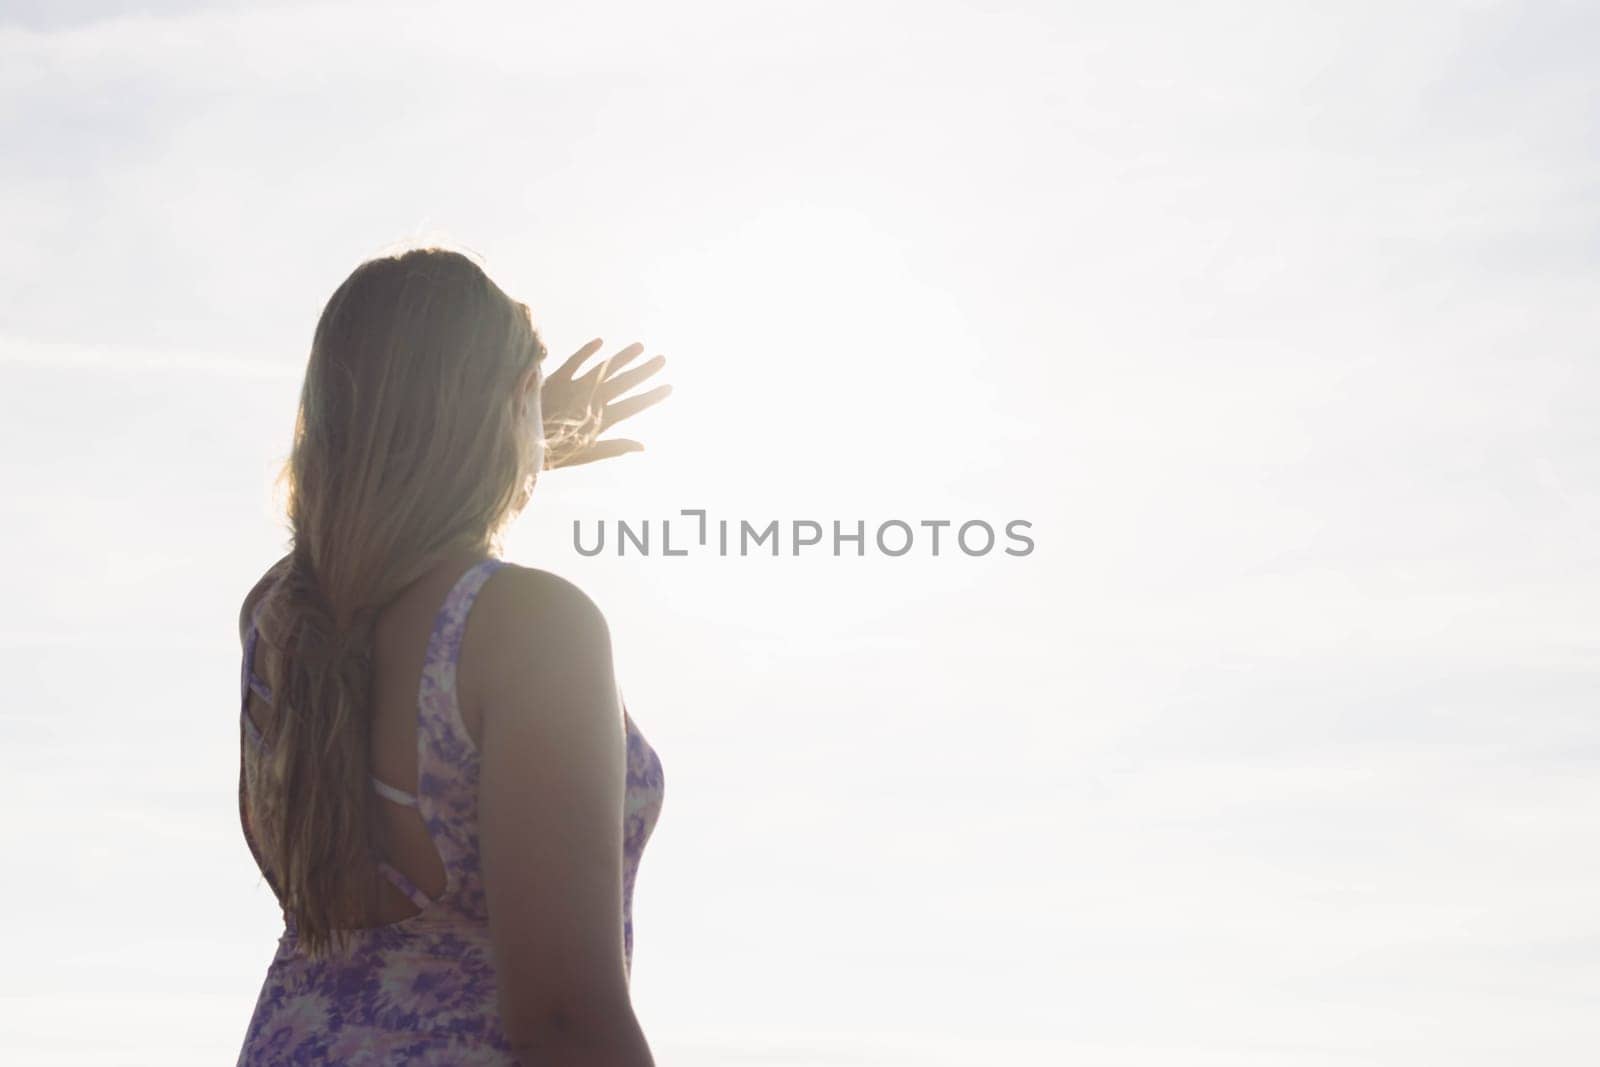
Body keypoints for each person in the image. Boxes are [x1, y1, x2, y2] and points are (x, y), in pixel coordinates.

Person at [233, 246, 670, 1065]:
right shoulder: (536, 629)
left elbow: (376, 535)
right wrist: (511, 445)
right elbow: (566, 1020)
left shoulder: (280, 620)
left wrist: (517, 439)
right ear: (500, 412)